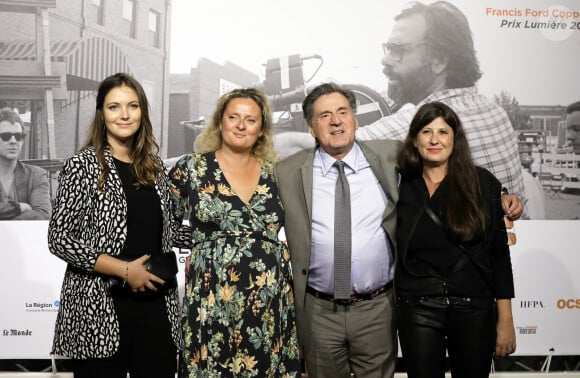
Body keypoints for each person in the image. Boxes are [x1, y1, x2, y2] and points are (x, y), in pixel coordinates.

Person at [48, 73, 192, 378]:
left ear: (143, 112)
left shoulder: (155, 169)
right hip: (100, 307)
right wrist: (126, 270)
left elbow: (169, 231)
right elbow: (59, 238)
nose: (124, 115)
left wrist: (221, 237)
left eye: (133, 106)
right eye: (114, 107)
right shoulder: (83, 166)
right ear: (102, 114)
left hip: (156, 308)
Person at [168, 88, 301, 377]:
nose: (241, 125)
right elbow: (164, 223)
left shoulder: (277, 173)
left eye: (250, 120)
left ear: (262, 128)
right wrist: (199, 248)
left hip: (268, 295)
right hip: (211, 295)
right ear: (220, 121)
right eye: (233, 117)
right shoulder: (191, 168)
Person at [275, 82, 401, 378]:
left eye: (343, 112)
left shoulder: (391, 156)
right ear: (311, 127)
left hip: (377, 310)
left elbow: (445, 171)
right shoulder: (287, 172)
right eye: (324, 115)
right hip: (319, 313)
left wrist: (500, 195)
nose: (335, 121)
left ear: (355, 120)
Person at [356, 0, 528, 215]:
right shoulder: (497, 113)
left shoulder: (417, 127)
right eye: (387, 48)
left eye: (397, 50)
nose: (385, 59)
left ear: (438, 60)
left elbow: (324, 150)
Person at [395, 101, 516, 377]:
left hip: (474, 308)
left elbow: (499, 256)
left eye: (443, 132)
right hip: (418, 308)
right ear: (414, 140)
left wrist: (505, 320)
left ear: (455, 139)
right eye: (426, 131)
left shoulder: (483, 183)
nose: (435, 139)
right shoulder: (400, 184)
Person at [0, 107, 51, 220]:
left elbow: (43, 214)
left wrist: (8, 228)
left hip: (23, 237)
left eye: (18, 136)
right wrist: (17, 208)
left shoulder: (36, 175)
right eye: (6, 136)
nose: (13, 141)